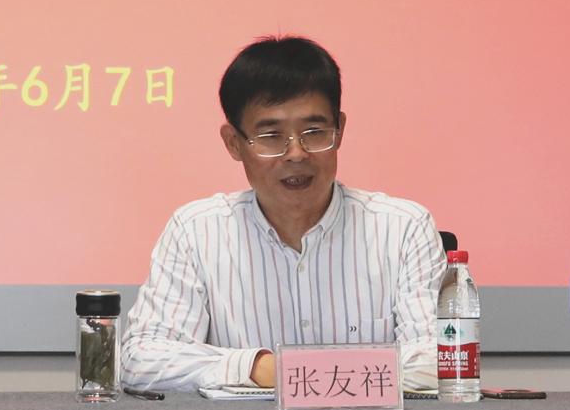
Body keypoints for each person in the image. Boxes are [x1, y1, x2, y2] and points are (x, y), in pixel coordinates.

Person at [120, 36, 444, 391]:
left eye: (314, 132)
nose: (296, 154)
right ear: (234, 143)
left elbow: (441, 359)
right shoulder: (195, 232)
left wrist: (302, 373)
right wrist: (259, 368)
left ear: (340, 131)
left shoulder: (403, 229)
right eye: (272, 136)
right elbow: (142, 359)